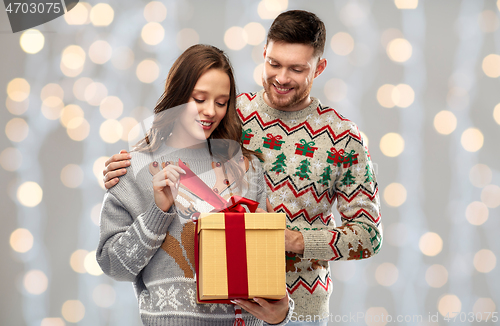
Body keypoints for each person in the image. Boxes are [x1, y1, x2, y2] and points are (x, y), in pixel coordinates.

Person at [103, 10, 382, 326]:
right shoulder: (230, 113)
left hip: (301, 310)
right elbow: (170, 145)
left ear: (319, 68)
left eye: (297, 68)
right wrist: (125, 170)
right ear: (264, 53)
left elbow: (369, 235)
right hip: (226, 305)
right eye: (274, 63)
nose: (281, 77)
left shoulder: (343, 138)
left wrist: (292, 239)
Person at [96, 44, 293, 326]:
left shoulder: (246, 168)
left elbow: (262, 271)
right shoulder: (133, 169)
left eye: (221, 102)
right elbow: (114, 266)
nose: (210, 111)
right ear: (177, 96)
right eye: (199, 99)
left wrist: (281, 315)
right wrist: (157, 213)